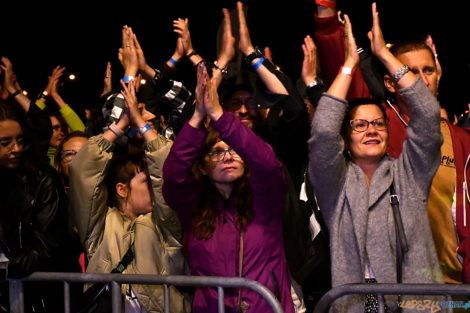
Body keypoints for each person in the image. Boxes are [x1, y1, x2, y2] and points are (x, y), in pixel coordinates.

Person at [313, 0, 470, 285]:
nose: (371, 129)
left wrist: (385, 55)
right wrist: (348, 67)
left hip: (424, 298)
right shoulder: (335, 184)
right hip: (359, 305)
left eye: (377, 124)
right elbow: (323, 133)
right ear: (345, 139)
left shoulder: (408, 175)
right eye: (359, 125)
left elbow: (426, 111)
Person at [69, 26, 190, 313]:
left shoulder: (167, 225)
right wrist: (122, 123)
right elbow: (82, 174)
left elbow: (168, 174)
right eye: (147, 182)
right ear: (121, 189)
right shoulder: (100, 226)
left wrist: (144, 125)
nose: (155, 185)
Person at [163, 61, 295, 313]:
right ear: (202, 165)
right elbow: (173, 175)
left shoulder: (264, 198)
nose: (227, 157)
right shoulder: (194, 207)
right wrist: (198, 116)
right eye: (216, 152)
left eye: (234, 150)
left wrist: (219, 116)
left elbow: (266, 163)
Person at [0, 100, 79, 312]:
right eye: (5, 142)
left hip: (40, 295)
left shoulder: (42, 178)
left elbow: (47, 244)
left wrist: (6, 268)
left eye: (20, 140)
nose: (15, 149)